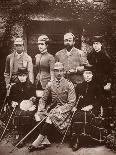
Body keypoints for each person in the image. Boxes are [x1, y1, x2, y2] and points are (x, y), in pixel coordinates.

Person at [28, 62, 76, 152]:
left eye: (61, 71)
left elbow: (71, 103)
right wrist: (41, 108)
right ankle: (45, 141)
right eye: (57, 71)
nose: (59, 73)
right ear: (54, 72)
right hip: (52, 108)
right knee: (38, 115)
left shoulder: (69, 84)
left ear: (64, 72)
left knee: (50, 117)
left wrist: (59, 109)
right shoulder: (50, 84)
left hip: (65, 110)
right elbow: (43, 99)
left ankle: (37, 142)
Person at [70, 69, 103, 151]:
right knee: (77, 115)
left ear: (92, 75)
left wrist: (91, 106)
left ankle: (89, 140)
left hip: (93, 108)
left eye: (89, 74)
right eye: (86, 74)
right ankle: (76, 140)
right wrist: (74, 106)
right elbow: (75, 99)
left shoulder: (97, 86)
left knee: (88, 115)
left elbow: (100, 99)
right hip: (81, 108)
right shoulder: (79, 86)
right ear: (83, 76)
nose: (87, 76)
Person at [8, 67, 36, 147]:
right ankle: (20, 135)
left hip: (29, 106)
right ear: (17, 76)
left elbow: (34, 99)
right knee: (18, 114)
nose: (22, 78)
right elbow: (9, 99)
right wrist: (12, 102)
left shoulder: (31, 86)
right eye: (20, 76)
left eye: (24, 76)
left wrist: (32, 104)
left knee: (26, 114)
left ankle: (24, 135)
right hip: (18, 106)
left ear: (26, 76)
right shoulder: (14, 87)